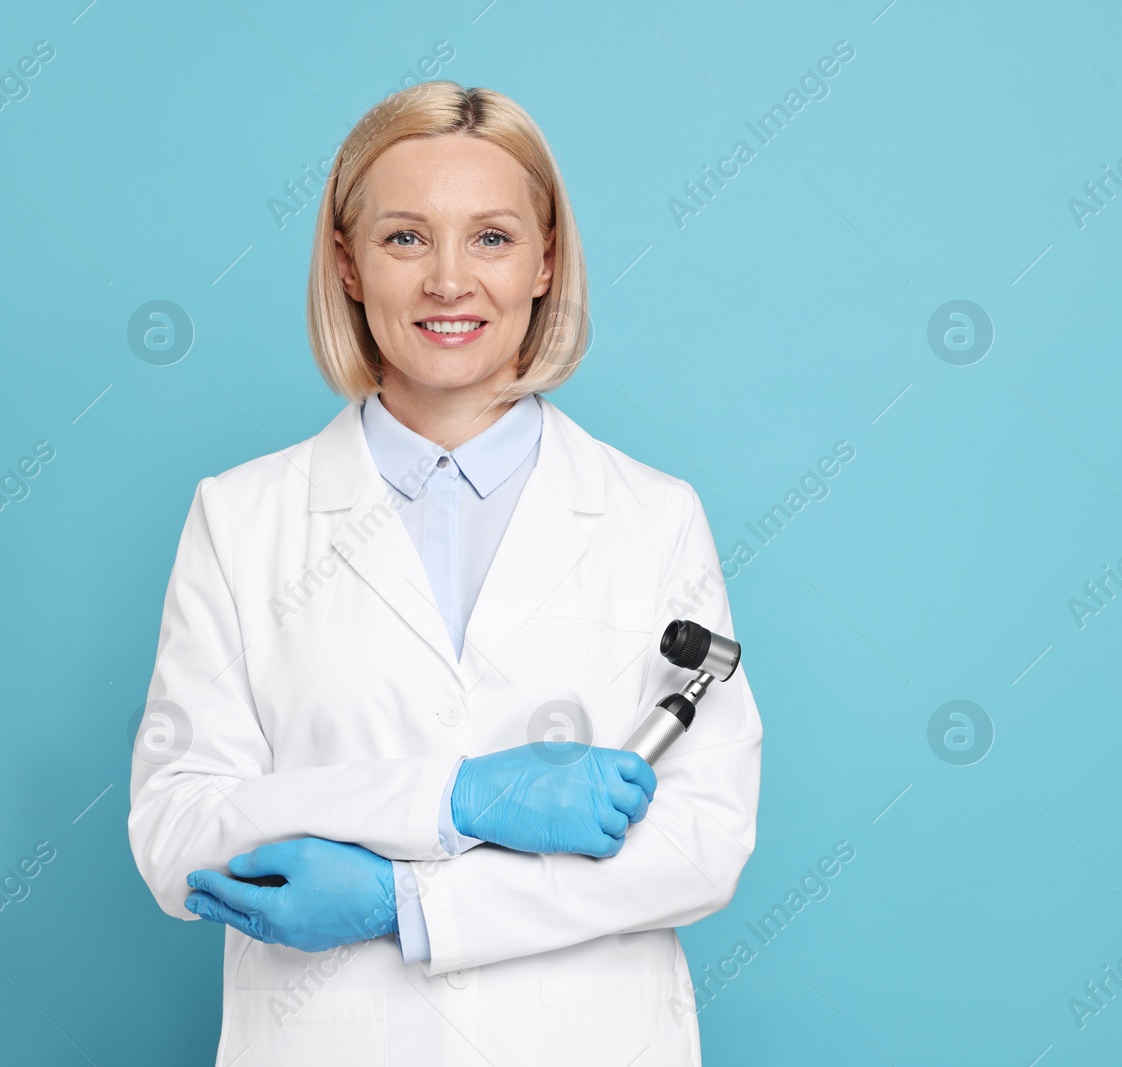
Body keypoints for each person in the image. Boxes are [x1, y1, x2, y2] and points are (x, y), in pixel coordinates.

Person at [127, 81, 762, 1067]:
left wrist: (406, 900)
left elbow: (700, 845)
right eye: (406, 238)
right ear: (346, 261)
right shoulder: (241, 517)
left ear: (547, 259)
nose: (450, 282)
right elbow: (180, 832)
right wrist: (453, 798)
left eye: (494, 238)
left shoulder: (652, 515)